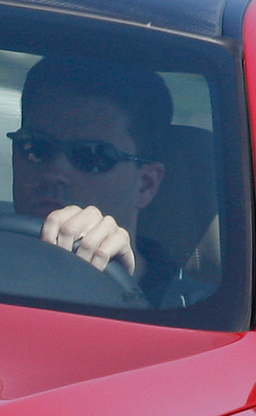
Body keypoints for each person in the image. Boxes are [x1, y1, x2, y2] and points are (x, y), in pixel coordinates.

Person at [12, 57, 177, 295]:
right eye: (36, 147)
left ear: (146, 185)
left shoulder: (192, 312)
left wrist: (122, 287)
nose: (55, 172)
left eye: (92, 156)